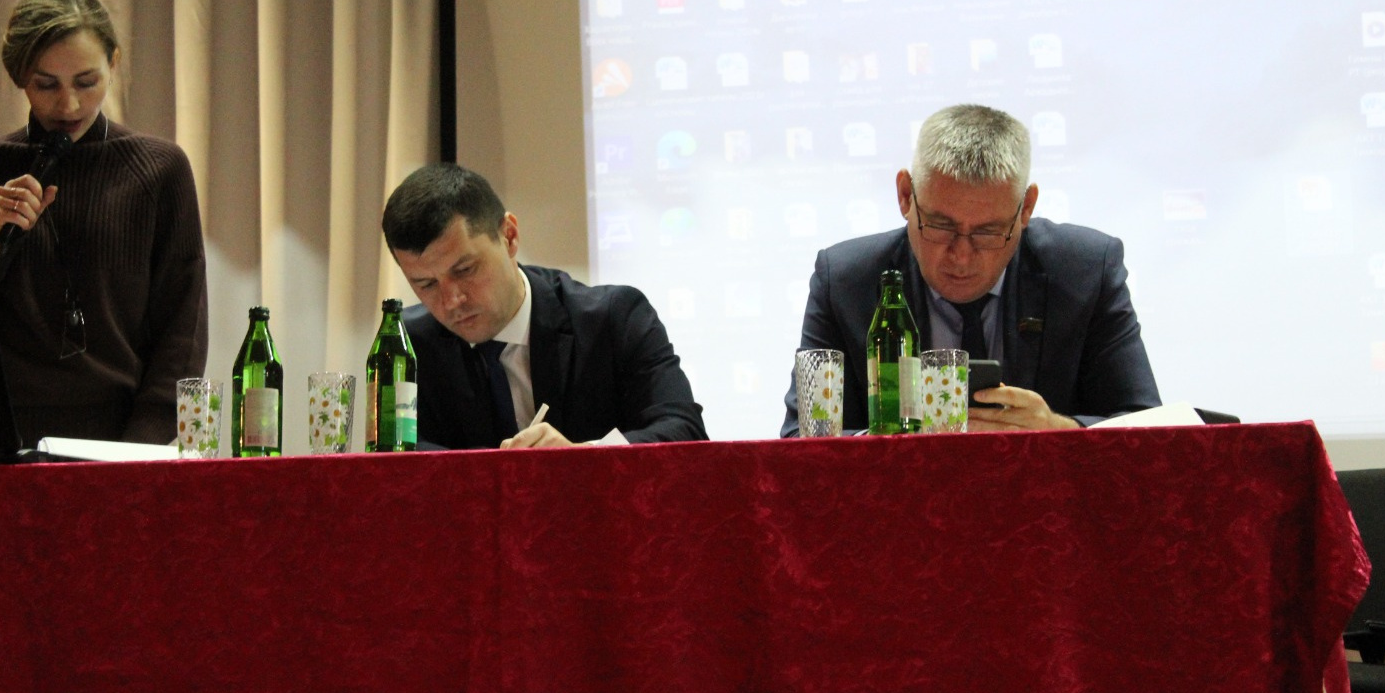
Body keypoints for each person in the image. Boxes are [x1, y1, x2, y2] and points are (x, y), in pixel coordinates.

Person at [0, 0, 208, 445]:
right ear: (19, 77)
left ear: (113, 63)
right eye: (45, 84)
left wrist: (138, 452)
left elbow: (182, 332)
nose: (68, 105)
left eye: (87, 82)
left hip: (120, 446)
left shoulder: (159, 170)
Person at [780, 103, 1159, 436]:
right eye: (940, 226)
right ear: (906, 195)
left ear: (1026, 209)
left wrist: (1059, 432)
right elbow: (801, 437)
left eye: (988, 232)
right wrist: (891, 442)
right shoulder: (846, 280)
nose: (961, 256)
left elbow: (1149, 428)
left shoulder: (1085, 271)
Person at [382, 163, 707, 449]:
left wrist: (585, 456)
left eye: (465, 270)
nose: (452, 300)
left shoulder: (613, 318)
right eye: (426, 284)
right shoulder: (407, 345)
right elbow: (396, 456)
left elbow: (684, 431)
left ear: (509, 236)